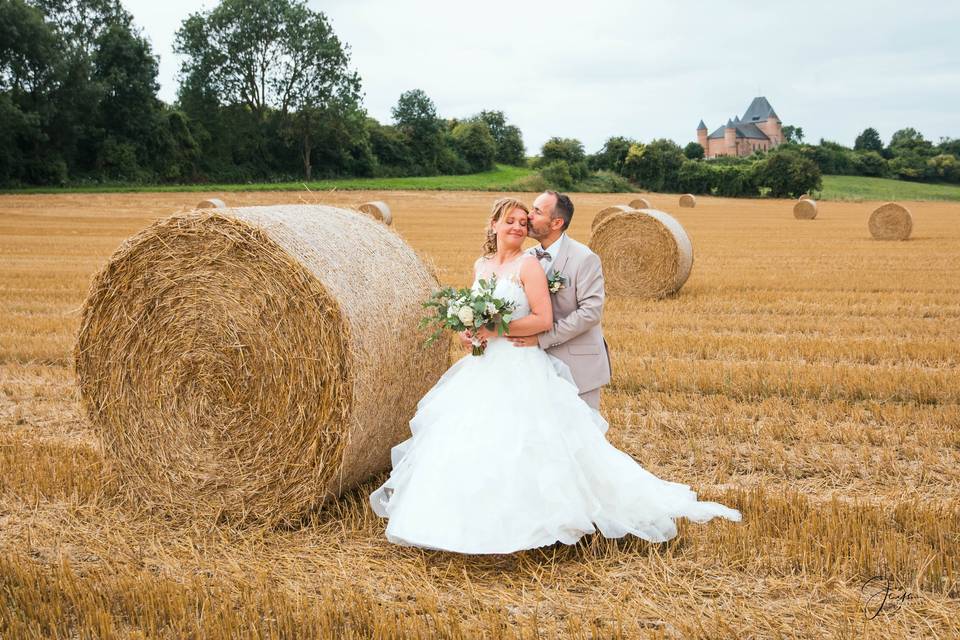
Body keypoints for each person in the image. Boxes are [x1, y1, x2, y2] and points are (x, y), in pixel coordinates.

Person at [368, 198, 741, 554]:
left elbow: (543, 320)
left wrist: (497, 329)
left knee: (531, 443)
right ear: (493, 225)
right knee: (472, 439)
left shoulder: (529, 265)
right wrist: (468, 331)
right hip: (483, 367)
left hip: (519, 362)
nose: (518, 225)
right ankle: (456, 522)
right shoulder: (481, 265)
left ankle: (539, 523)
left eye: (523, 220)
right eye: (510, 220)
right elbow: (475, 313)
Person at [508, 191, 610, 410]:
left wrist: (542, 338)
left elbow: (590, 313)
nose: (529, 215)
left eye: (537, 211)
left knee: (582, 436)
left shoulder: (584, 258)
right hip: (535, 365)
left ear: (556, 222)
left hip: (578, 367)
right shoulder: (526, 257)